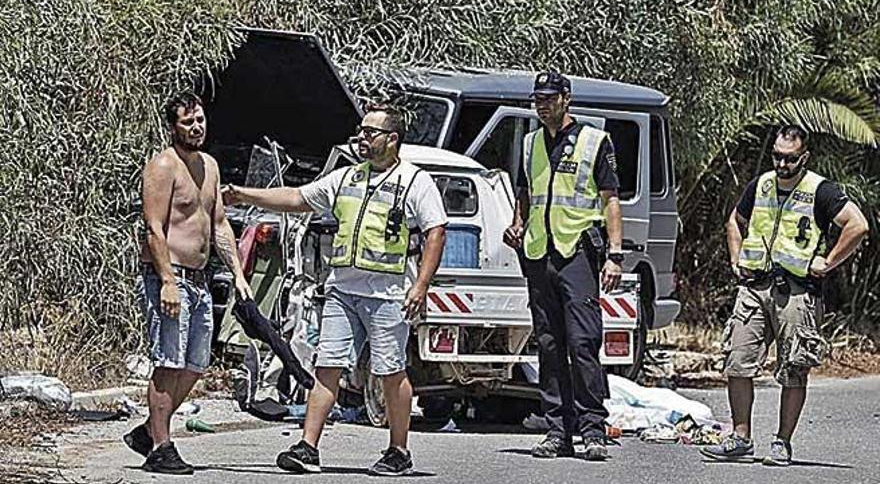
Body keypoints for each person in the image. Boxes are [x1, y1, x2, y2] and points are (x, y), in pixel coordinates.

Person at [222, 103, 447, 476]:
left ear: (392, 139)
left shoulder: (414, 181)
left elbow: (436, 231)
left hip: (387, 293)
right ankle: (308, 447)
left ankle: (398, 450)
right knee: (327, 366)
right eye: (361, 131)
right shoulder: (347, 178)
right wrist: (245, 195)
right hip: (343, 290)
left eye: (370, 132)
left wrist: (421, 285)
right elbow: (298, 198)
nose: (362, 138)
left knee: (390, 372)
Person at [701, 125, 869, 466]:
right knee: (737, 361)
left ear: (803, 157)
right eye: (777, 156)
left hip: (796, 292)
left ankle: (782, 442)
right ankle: (740, 436)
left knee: (794, 367)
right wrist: (736, 259)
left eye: (790, 158)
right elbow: (735, 220)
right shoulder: (760, 184)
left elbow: (858, 225)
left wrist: (829, 262)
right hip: (754, 287)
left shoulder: (821, 190)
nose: (781, 164)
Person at [125, 92, 253, 474]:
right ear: (173, 127)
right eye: (187, 122)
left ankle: (149, 431)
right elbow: (153, 229)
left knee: (195, 365)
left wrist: (238, 273)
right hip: (171, 275)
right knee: (168, 361)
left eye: (200, 119)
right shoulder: (164, 166)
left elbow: (218, 224)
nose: (196, 127)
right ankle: (161, 447)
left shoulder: (209, 166)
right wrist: (166, 280)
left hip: (200, 278)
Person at [503, 72, 624, 461]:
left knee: (583, 343)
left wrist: (615, 255)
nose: (542, 105)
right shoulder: (529, 143)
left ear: (566, 99)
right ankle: (558, 430)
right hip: (540, 253)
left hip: (578, 253)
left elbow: (610, 200)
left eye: (550, 98)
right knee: (550, 345)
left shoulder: (593, 141)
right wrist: (517, 222)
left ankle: (592, 429)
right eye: (538, 99)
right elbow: (525, 191)